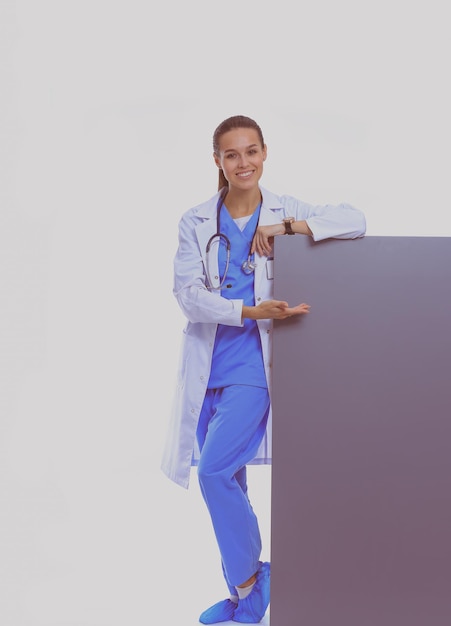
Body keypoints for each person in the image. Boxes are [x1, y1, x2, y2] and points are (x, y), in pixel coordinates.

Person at [161, 114, 366, 623]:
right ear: (218, 162)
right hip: (207, 370)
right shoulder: (195, 221)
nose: (243, 162)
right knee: (229, 481)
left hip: (255, 368)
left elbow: (355, 220)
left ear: (264, 153)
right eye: (231, 154)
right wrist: (248, 311)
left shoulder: (283, 209)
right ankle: (243, 600)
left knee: (212, 474)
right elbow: (189, 298)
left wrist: (290, 228)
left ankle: (254, 581)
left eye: (251, 151)